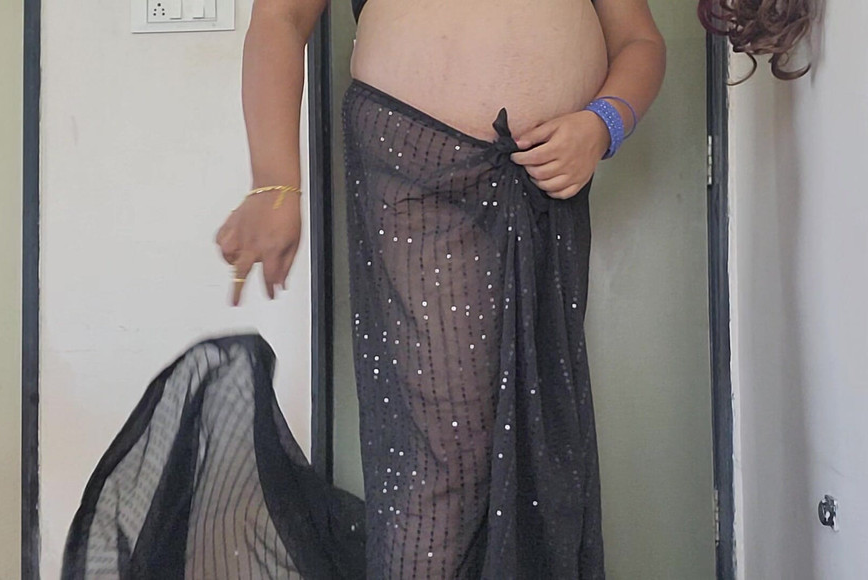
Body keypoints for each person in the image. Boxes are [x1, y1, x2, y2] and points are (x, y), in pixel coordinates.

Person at [213, 0, 667, 578]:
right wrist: (273, 183)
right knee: (446, 454)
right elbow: (281, 17)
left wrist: (603, 123)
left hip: (548, 182)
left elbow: (639, 42)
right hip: (414, 167)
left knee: (541, 453)